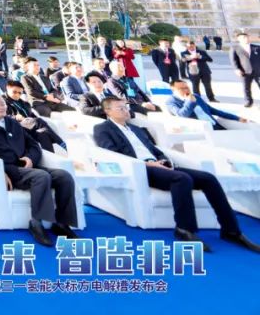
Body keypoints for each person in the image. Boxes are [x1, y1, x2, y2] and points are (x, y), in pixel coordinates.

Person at [94, 96, 260, 252]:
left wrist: (164, 161)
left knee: (208, 179)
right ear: (108, 111)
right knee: (182, 179)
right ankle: (184, 229)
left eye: (125, 107)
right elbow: (111, 154)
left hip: (160, 166)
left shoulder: (136, 129)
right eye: (120, 108)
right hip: (140, 169)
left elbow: (154, 149)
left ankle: (231, 230)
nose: (126, 110)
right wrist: (148, 164)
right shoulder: (103, 128)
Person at [0, 94, 78, 246]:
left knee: (64, 176)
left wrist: (30, 158)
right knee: (41, 176)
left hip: (27, 166)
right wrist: (0, 171)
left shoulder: (13, 122)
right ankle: (36, 223)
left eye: (3, 104)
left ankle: (62, 223)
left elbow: (33, 145)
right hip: (8, 169)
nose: (1, 107)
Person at [3, 82, 65, 152]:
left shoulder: (23, 102)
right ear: (7, 89)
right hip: (16, 126)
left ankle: (51, 155)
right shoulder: (2, 102)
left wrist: (34, 120)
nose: (17, 95)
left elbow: (31, 115)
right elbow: (2, 117)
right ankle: (62, 144)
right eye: (14, 92)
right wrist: (15, 117)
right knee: (38, 121)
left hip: (29, 126)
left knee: (43, 133)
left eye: (20, 93)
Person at [166, 81, 245, 130]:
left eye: (187, 87)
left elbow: (213, 111)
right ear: (173, 90)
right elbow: (182, 115)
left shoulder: (195, 96)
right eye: (182, 88)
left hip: (214, 126)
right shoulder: (171, 102)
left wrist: (237, 118)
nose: (186, 90)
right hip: (200, 130)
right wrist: (190, 101)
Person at [230, 32, 260, 107]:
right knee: (246, 87)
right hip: (244, 72)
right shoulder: (235, 48)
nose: (245, 39)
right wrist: (236, 69)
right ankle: (249, 101)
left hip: (258, 71)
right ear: (239, 39)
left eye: (246, 37)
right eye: (243, 37)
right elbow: (233, 60)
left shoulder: (257, 47)